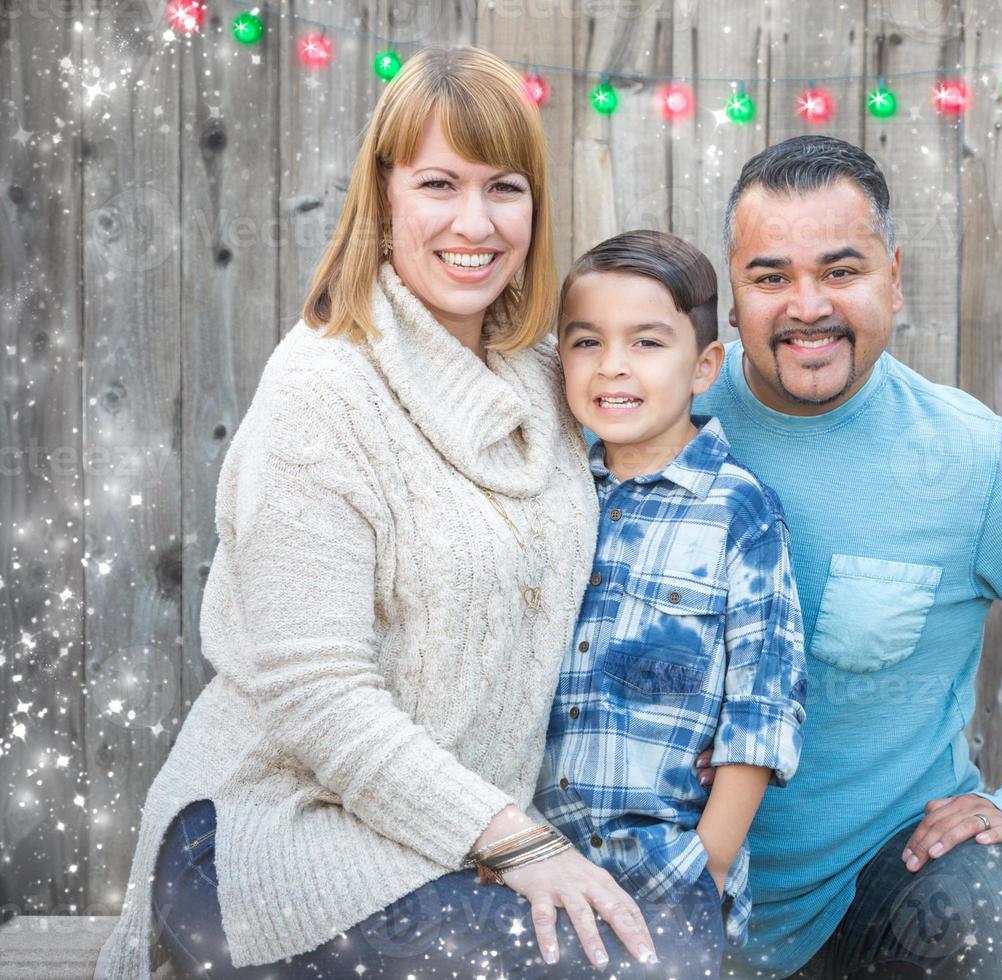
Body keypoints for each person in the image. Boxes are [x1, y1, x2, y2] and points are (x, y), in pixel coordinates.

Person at [97, 47, 668, 980]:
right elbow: (319, 697)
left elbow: (669, 405)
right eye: (439, 183)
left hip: (446, 839)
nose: (474, 223)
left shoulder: (541, 375)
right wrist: (518, 843)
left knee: (670, 938)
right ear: (385, 193)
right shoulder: (320, 396)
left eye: (505, 188)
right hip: (266, 838)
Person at [689, 135, 1002, 979]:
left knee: (998, 931)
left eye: (841, 271)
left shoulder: (976, 463)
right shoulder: (652, 413)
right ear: (733, 299)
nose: (807, 306)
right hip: (650, 874)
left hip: (871, 887)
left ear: (895, 277)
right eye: (771, 278)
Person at [538, 229, 807, 975]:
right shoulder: (553, 495)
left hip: (663, 885)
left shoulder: (738, 513)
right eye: (587, 342)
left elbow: (763, 712)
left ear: (704, 366)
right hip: (538, 874)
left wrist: (704, 872)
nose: (613, 366)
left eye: (648, 343)